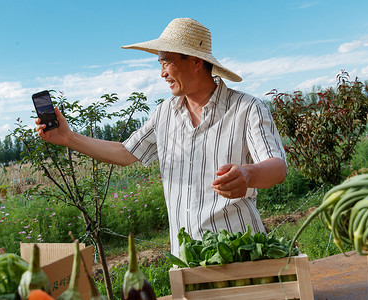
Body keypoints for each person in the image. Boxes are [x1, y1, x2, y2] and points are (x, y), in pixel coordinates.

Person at [36, 18, 287, 256]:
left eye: (166, 62)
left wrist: (247, 174)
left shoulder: (247, 107)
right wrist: (69, 138)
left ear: (195, 61)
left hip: (240, 251)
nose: (162, 73)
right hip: (186, 256)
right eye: (160, 64)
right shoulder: (164, 113)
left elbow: (278, 168)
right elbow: (126, 153)